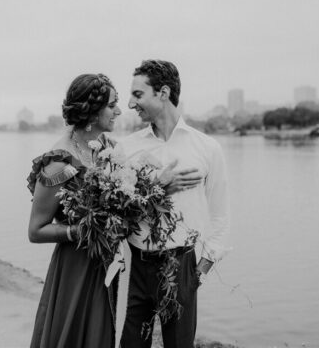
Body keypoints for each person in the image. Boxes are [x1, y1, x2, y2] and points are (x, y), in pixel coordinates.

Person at [120, 60, 229, 348]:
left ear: (163, 93)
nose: (130, 103)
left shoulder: (207, 148)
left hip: (181, 266)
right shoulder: (126, 148)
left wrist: (202, 267)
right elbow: (117, 210)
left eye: (138, 94)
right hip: (135, 267)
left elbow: (220, 215)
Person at [26, 73, 122, 348]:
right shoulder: (60, 163)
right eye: (112, 104)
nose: (118, 110)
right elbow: (36, 230)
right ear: (92, 111)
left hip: (112, 263)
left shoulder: (111, 149)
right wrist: (80, 230)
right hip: (77, 268)